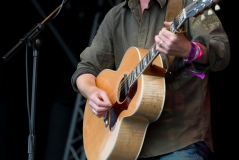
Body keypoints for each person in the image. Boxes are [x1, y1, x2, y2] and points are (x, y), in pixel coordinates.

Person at [71, 0, 230, 159]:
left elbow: (222, 51)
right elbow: (86, 68)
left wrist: (190, 50)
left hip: (178, 143)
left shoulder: (188, 3)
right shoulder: (116, 16)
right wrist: (92, 92)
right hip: (124, 147)